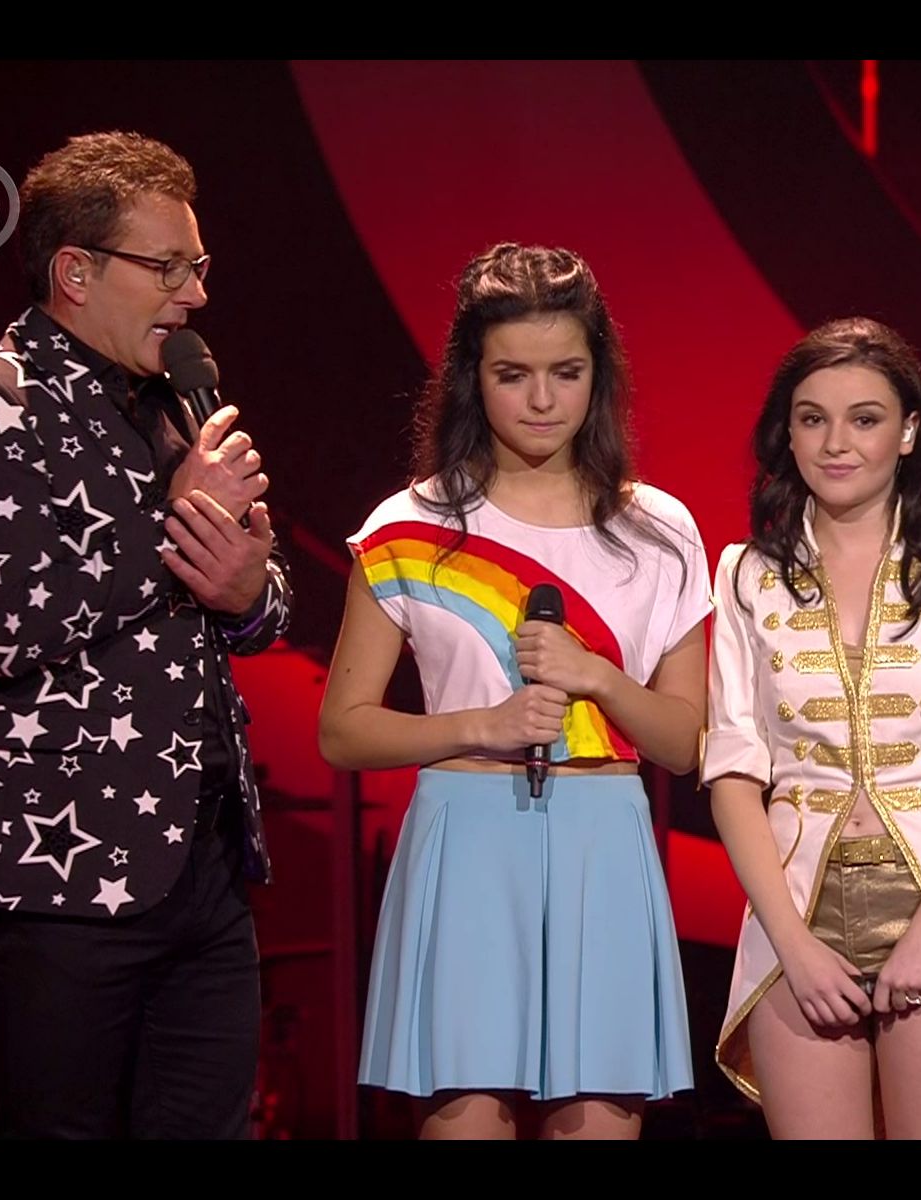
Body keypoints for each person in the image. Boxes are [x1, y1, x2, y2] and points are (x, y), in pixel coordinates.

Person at [0, 131, 293, 1138]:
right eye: (167, 267)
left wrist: (248, 591)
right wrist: (178, 521)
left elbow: (262, 608)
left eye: (197, 265)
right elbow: (10, 620)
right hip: (63, 870)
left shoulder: (176, 404)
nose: (195, 294)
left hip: (203, 869)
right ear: (75, 272)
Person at [319, 244, 708, 1139]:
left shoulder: (659, 529)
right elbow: (344, 731)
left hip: (605, 846)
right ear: (472, 377)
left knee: (599, 1117)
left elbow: (685, 742)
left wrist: (597, 677)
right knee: (467, 1115)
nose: (542, 400)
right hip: (466, 837)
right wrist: (483, 724)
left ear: (598, 376)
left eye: (566, 372)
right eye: (513, 375)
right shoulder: (411, 526)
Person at [703, 317, 921, 1139]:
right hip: (796, 914)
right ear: (786, 434)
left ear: (908, 431)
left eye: (864, 418)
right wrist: (792, 945)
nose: (837, 443)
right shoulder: (745, 573)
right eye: (812, 418)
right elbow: (732, 773)